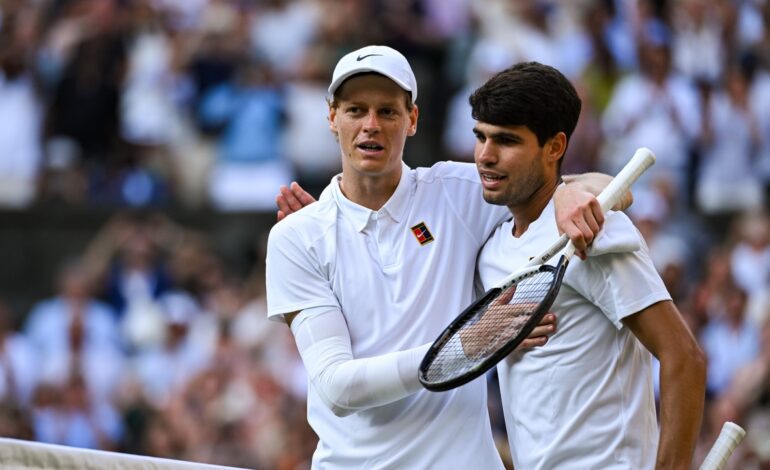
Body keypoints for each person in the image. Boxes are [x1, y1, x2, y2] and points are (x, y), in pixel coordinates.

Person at [266, 45, 620, 468]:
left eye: (388, 112)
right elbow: (337, 388)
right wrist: (463, 346)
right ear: (332, 118)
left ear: (412, 119)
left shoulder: (458, 191)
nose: (371, 126)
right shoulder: (296, 237)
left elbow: (615, 188)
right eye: (356, 110)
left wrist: (567, 194)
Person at [470, 61, 706, 469]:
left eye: (506, 141)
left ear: (555, 147)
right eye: (480, 137)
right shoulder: (491, 249)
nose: (486, 156)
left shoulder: (596, 233)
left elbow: (684, 358)